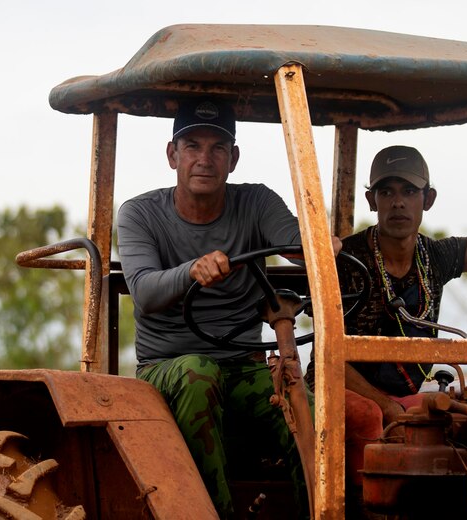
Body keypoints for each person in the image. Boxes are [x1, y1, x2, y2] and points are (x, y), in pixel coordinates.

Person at [320, 113, 467, 492]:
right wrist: (385, 403)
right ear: (371, 200)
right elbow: (327, 358)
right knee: (367, 416)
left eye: (408, 192)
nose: (397, 203)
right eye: (386, 191)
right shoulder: (346, 259)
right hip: (348, 388)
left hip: (404, 395)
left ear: (428, 199)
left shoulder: (437, 258)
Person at [116, 97, 311, 518]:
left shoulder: (256, 203)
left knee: (302, 399)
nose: (205, 159)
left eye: (217, 148)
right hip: (166, 368)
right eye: (192, 146)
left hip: (243, 365)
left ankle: (322, 508)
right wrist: (191, 271)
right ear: (173, 155)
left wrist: (319, 245)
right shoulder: (139, 214)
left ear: (233, 158)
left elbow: (298, 243)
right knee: (197, 371)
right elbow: (146, 292)